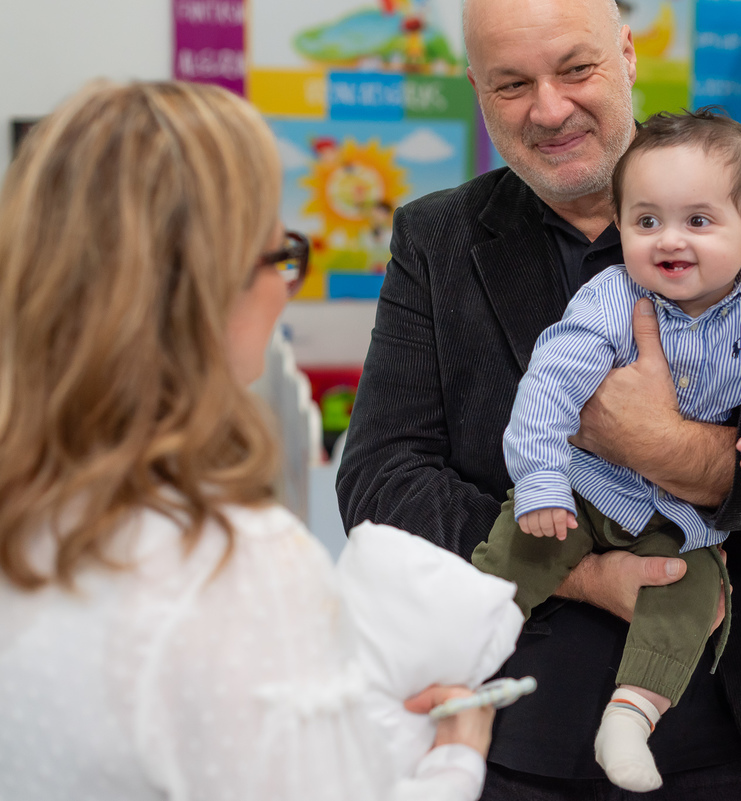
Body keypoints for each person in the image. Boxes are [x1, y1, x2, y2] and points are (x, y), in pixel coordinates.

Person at [337, 0, 741, 796]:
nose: (550, 108)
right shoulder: (438, 240)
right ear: (476, 90)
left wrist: (663, 444)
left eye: (575, 68)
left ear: (627, 53)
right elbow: (380, 482)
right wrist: (583, 572)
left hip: (730, 736)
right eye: (512, 83)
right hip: (501, 733)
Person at [0, 80, 519, 801]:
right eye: (279, 255)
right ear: (208, 288)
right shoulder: (232, 564)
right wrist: (455, 757)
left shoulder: (30, 516)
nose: (286, 286)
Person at [470, 110, 741, 792]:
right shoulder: (611, 297)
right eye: (647, 221)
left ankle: (632, 713)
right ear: (622, 225)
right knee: (522, 545)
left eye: (698, 221)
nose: (670, 241)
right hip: (587, 487)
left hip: (678, 516)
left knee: (693, 594)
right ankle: (462, 645)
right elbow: (549, 384)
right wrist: (541, 480)